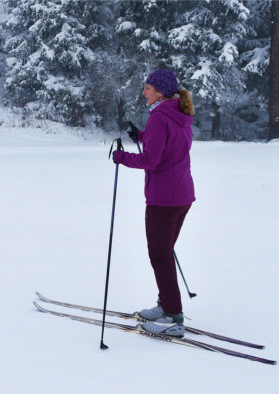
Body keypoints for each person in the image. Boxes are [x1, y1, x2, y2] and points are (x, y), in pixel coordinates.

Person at [112, 69, 195, 337]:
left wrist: (121, 158)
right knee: (164, 253)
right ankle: (166, 305)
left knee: (159, 255)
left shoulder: (160, 117)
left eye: (147, 88)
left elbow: (151, 160)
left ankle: (173, 316)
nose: (144, 92)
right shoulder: (179, 114)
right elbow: (167, 145)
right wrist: (143, 136)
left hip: (163, 199)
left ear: (159, 92)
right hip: (181, 196)